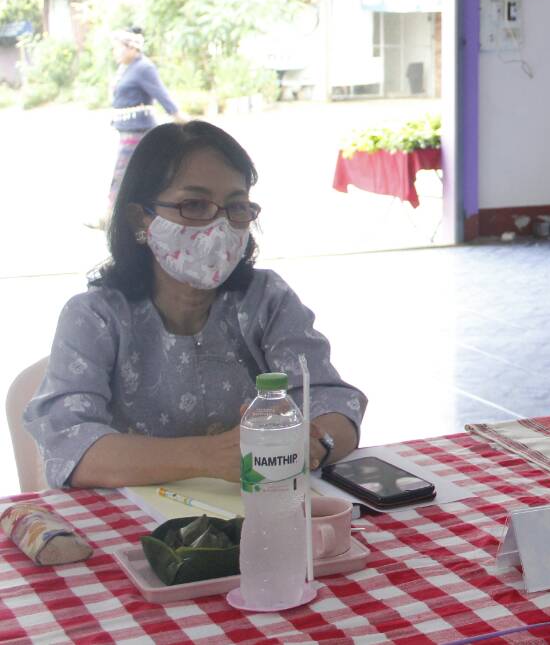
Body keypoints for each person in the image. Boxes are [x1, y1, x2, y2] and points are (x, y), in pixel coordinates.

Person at [26, 121, 364, 489]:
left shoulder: (265, 299)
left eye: (236, 207)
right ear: (140, 217)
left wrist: (315, 444)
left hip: (258, 512)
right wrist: (209, 456)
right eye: (194, 205)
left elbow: (333, 402)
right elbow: (70, 447)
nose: (219, 226)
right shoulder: (95, 317)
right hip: (142, 525)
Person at [105, 27, 186, 215]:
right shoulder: (126, 68)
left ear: (132, 48)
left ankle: (111, 215)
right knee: (137, 172)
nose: (114, 52)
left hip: (138, 131)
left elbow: (161, 94)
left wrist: (179, 117)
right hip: (126, 129)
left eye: (117, 48)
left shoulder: (144, 67)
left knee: (123, 171)